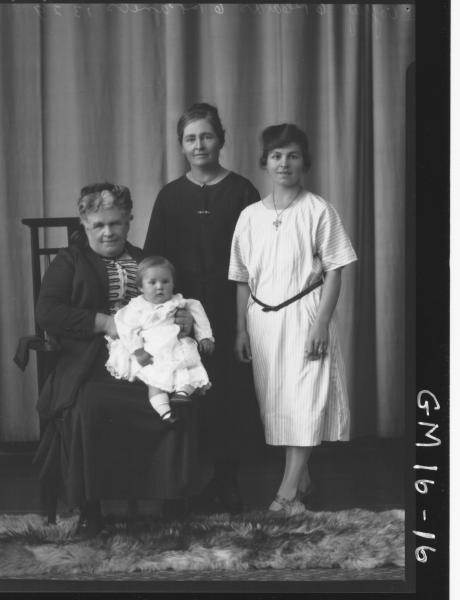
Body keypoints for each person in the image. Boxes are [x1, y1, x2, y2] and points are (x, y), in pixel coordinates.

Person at [34, 182, 197, 536]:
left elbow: (172, 299)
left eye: (116, 223)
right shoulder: (70, 261)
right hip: (91, 361)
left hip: (148, 357)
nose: (108, 232)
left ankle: (169, 502)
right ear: (85, 224)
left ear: (128, 222)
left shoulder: (145, 260)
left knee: (175, 400)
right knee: (90, 405)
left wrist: (184, 320)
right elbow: (48, 312)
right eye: (99, 225)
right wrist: (104, 322)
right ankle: (92, 508)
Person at [229, 124, 357, 517]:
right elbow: (241, 277)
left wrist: (321, 323)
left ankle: (285, 495)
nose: (284, 163)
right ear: (265, 162)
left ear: (305, 162)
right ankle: (302, 482)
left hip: (305, 315)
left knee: (304, 401)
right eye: (277, 156)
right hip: (262, 322)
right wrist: (240, 328)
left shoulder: (318, 210)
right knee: (280, 405)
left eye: (293, 155)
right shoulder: (250, 216)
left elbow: (335, 270)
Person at [144, 102, 260, 513]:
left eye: (206, 136)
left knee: (229, 393)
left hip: (233, 310)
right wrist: (170, 314)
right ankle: (184, 483)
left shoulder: (243, 190)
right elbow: (154, 262)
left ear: (221, 139)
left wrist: (245, 319)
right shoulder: (170, 196)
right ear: (181, 145)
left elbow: (256, 258)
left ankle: (227, 482)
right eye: (190, 138)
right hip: (181, 315)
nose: (199, 145)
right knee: (186, 390)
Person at [106, 256, 215, 424]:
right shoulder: (136, 307)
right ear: (141, 287)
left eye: (165, 281)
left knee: (189, 370)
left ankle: (182, 394)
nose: (160, 287)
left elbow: (197, 309)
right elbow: (126, 328)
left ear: (173, 283)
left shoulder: (178, 301)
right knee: (154, 380)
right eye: (152, 282)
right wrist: (137, 350)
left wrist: (205, 336)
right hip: (151, 349)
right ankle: (164, 412)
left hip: (176, 345)